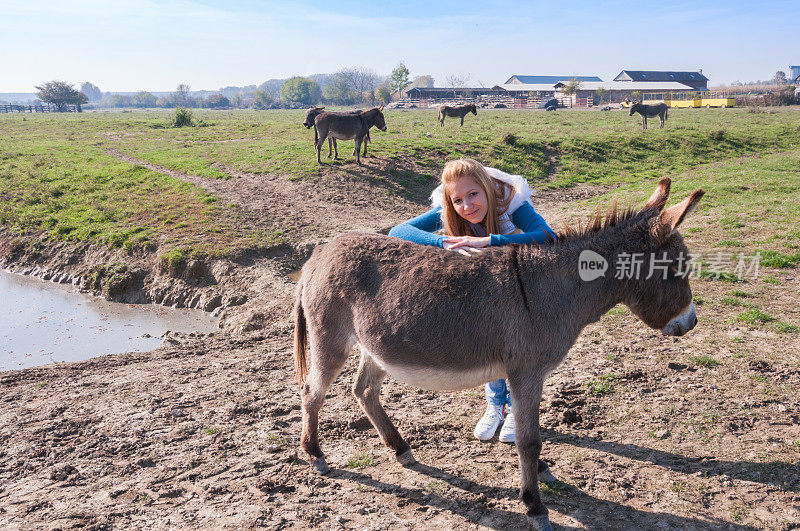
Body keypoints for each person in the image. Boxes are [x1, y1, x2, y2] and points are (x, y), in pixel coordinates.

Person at [388, 158, 555, 443]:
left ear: (487, 188)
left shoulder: (510, 200)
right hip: (488, 286)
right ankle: (495, 406)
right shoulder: (448, 207)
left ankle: (518, 408)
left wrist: (490, 241)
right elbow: (398, 232)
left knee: (519, 345)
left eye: (473, 195)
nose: (466, 206)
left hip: (525, 283)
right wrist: (442, 242)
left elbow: (548, 237)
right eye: (458, 200)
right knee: (489, 340)